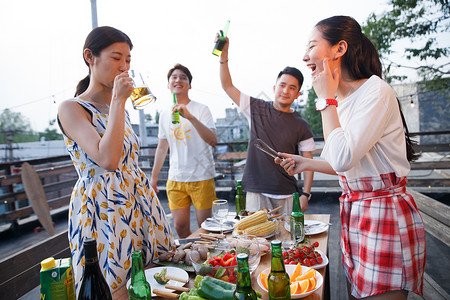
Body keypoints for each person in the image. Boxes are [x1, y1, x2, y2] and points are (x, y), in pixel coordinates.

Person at [277, 16, 426, 299]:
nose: (305, 56)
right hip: (356, 213)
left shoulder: (375, 90)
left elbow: (344, 158)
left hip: (384, 216)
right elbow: (348, 163)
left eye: (312, 46)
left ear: (339, 48)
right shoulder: (342, 101)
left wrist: (326, 100)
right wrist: (306, 163)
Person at [57, 26, 175, 293]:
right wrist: (119, 101)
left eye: (129, 60)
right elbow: (107, 160)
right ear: (90, 56)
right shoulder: (71, 108)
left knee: (156, 281)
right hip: (104, 208)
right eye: (116, 57)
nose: (124, 66)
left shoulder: (117, 108)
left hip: (138, 201)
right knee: (116, 287)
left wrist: (118, 104)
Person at [218, 35, 315, 215]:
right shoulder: (255, 108)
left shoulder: (302, 125)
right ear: (274, 88)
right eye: (282, 85)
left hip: (287, 192)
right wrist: (224, 56)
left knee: (287, 240)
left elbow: (309, 162)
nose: (286, 91)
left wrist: (306, 195)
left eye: (292, 88)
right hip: (256, 190)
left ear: (298, 95)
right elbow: (227, 86)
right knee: (257, 242)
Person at [151, 64, 218, 238]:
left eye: (183, 77)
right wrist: (154, 176)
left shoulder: (201, 109)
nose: (178, 80)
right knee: (180, 228)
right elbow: (162, 146)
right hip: (175, 178)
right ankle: (192, 255)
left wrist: (191, 117)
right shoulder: (165, 113)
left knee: (206, 228)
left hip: (201, 176)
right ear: (168, 84)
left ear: (189, 84)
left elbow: (213, 140)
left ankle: (205, 259)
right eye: (174, 77)